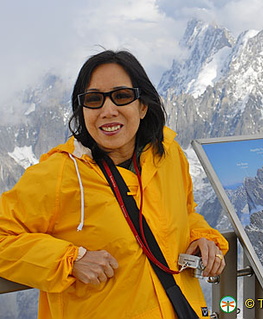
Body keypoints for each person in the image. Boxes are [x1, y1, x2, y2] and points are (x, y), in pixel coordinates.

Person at [0, 50, 228, 318]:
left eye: (121, 96)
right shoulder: (58, 174)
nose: (108, 111)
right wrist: (70, 260)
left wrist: (201, 238)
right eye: (94, 100)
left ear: (142, 106)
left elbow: (184, 214)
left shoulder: (168, 155)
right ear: (82, 111)